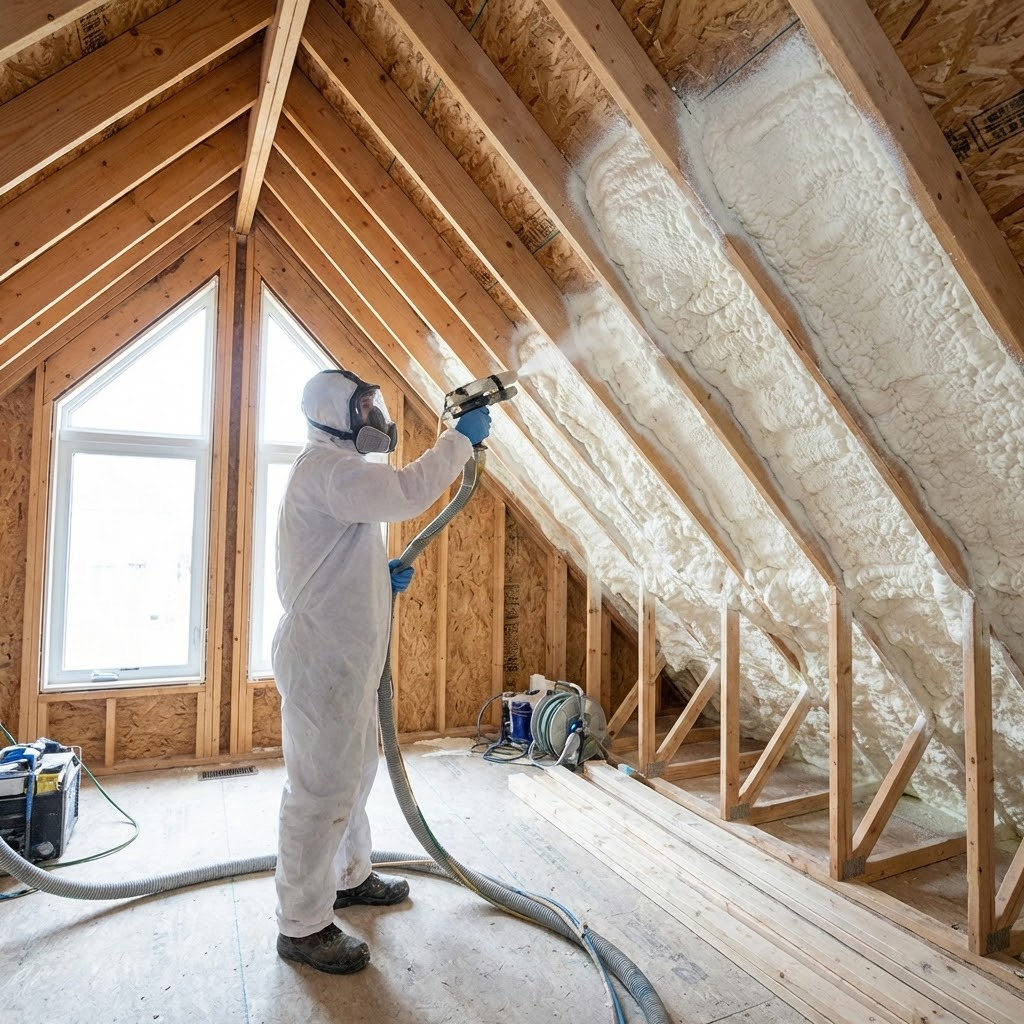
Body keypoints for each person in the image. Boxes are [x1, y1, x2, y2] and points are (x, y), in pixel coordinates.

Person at [272, 367, 491, 974]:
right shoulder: (330, 471)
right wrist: (459, 440)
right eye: (364, 409)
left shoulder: (339, 472)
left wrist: (378, 574)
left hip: (343, 655)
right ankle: (302, 926)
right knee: (320, 791)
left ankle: (349, 877)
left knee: (354, 774)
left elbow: (337, 552)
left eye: (375, 407)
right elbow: (406, 491)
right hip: (324, 657)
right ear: (335, 417)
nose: (376, 418)